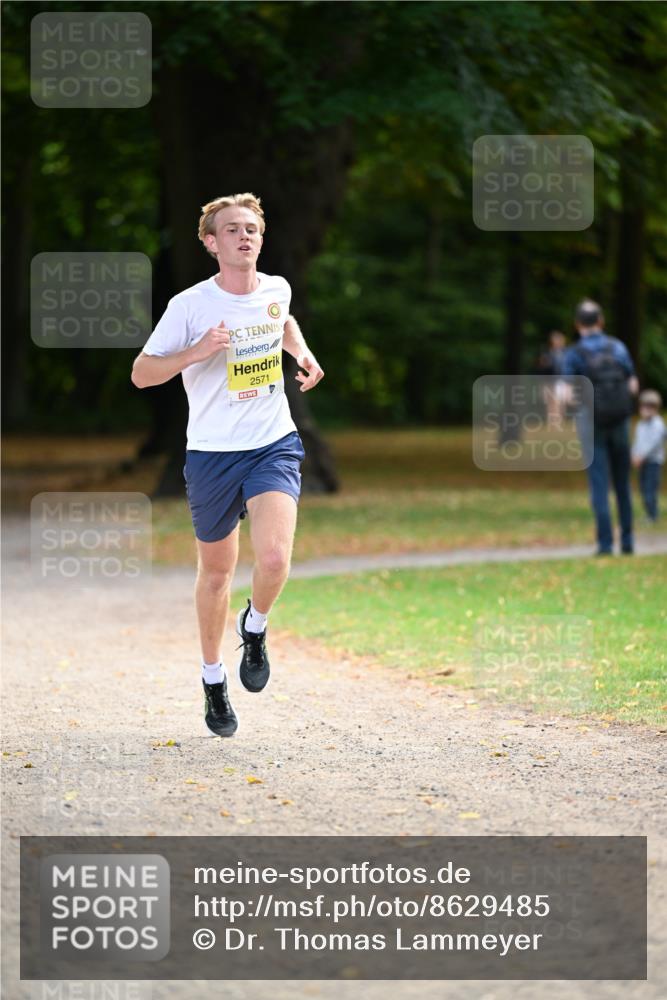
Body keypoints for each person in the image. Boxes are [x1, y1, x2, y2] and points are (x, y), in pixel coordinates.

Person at [131, 193, 324, 738]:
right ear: (211, 242)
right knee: (215, 574)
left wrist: (302, 354)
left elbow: (281, 322)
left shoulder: (276, 288)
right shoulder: (189, 306)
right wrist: (196, 352)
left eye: (252, 229)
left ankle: (255, 626)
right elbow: (142, 374)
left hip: (272, 442)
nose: (245, 237)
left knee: (274, 557)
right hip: (212, 453)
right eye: (232, 230)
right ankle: (213, 680)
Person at [562, 299, 638, 556]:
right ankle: (628, 542)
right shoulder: (617, 347)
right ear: (601, 321)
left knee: (599, 484)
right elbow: (633, 386)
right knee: (622, 484)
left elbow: (566, 393)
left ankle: (605, 545)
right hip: (620, 421)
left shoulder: (574, 354)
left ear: (577, 324)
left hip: (591, 423)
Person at [632, 389, 665, 522]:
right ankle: (649, 513)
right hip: (642, 462)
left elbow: (654, 443)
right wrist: (634, 455)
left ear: (656, 408)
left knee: (650, 488)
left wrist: (642, 456)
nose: (646, 410)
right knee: (643, 488)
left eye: (650, 407)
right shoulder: (640, 425)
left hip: (653, 462)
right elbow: (637, 442)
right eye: (644, 407)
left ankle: (653, 515)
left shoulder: (658, 424)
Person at [536, 331, 567, 425]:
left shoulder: (566, 353)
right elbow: (542, 369)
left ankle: (559, 420)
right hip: (550, 380)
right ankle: (553, 421)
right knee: (552, 402)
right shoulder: (547, 354)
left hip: (562, 380)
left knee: (561, 401)